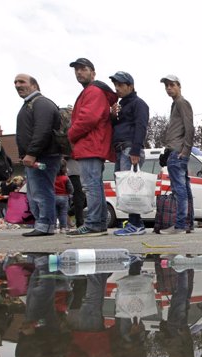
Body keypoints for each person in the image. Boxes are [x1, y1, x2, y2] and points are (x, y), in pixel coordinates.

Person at [66, 58, 118, 237]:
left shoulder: (93, 91)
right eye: (76, 70)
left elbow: (88, 118)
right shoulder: (94, 91)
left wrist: (70, 134)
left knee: (91, 185)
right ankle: (99, 223)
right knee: (94, 184)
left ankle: (95, 223)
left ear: (93, 72)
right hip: (93, 144)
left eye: (83, 69)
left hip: (90, 144)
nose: (79, 72)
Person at [14, 74, 62, 237]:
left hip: (43, 156)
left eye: (21, 82)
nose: (17, 85)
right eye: (15, 82)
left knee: (42, 190)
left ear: (34, 86)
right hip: (38, 156)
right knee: (37, 191)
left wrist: (32, 153)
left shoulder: (40, 103)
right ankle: (42, 223)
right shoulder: (30, 104)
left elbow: (43, 129)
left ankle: (45, 225)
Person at [109, 71, 150, 236]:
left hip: (130, 149)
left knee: (131, 188)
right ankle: (134, 222)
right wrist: (113, 115)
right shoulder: (122, 105)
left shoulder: (139, 104)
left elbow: (141, 126)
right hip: (121, 149)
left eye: (120, 85)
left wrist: (135, 150)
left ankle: (136, 223)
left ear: (130, 86)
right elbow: (118, 127)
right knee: (124, 188)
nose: (117, 88)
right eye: (115, 85)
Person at [160, 74, 195, 234]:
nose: (168, 88)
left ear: (179, 86)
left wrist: (185, 150)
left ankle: (180, 225)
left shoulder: (182, 103)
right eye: (166, 86)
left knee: (179, 189)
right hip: (175, 151)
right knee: (185, 188)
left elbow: (190, 128)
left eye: (172, 85)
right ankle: (188, 224)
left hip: (178, 152)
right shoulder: (176, 104)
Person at [54, 159, 74, 232]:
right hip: (64, 197)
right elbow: (71, 189)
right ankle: (63, 227)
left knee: (54, 213)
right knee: (63, 213)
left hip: (53, 197)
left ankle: (54, 227)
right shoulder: (65, 178)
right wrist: (69, 193)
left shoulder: (52, 178)